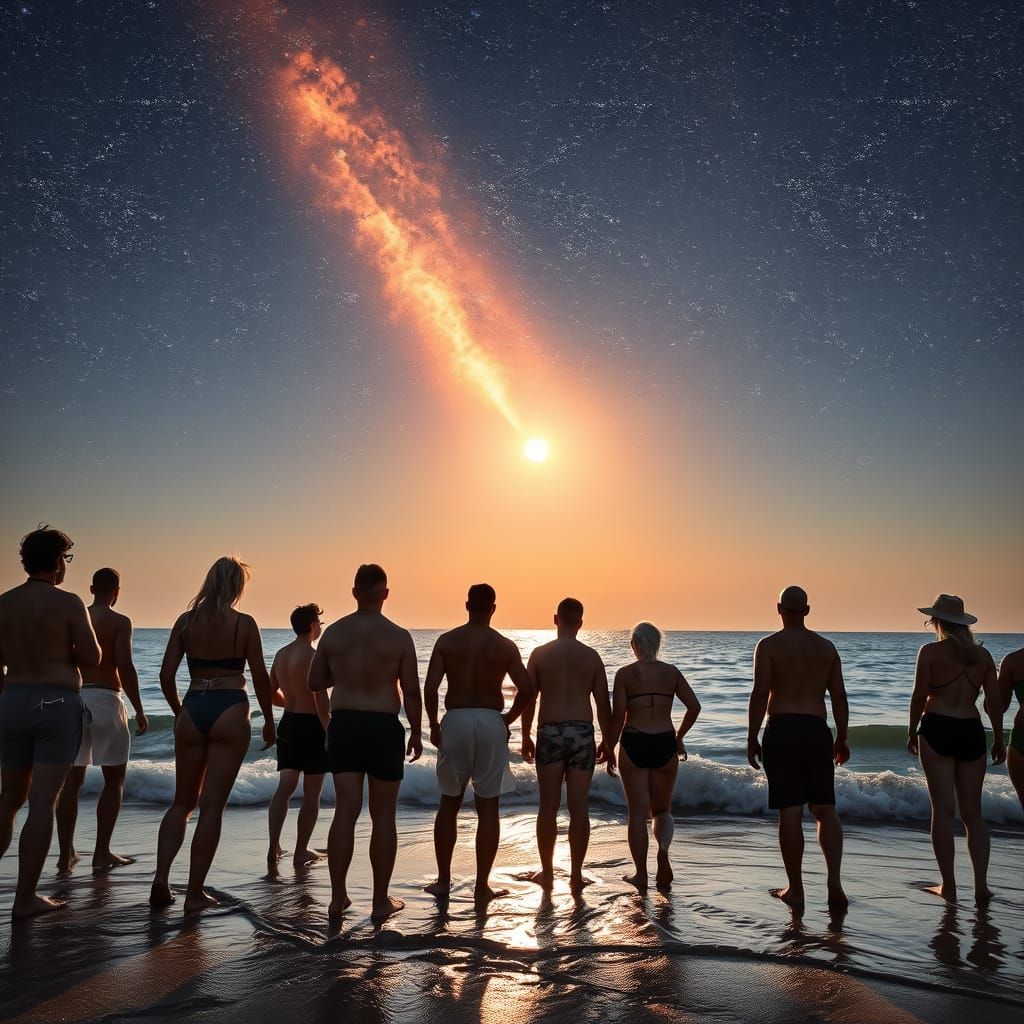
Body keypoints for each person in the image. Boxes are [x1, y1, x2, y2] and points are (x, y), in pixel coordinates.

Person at [150, 556, 275, 913]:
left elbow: (165, 675)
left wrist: (179, 713)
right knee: (212, 808)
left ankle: (161, 877)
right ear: (237, 587)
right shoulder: (244, 624)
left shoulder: (186, 622)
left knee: (182, 803)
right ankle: (193, 894)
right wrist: (268, 718)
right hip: (230, 708)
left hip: (193, 705)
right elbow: (261, 677)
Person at [308, 565, 422, 923]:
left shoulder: (335, 634)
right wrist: (418, 731)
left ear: (355, 592)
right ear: (385, 594)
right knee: (383, 815)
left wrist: (342, 672)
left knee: (345, 810)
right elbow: (412, 691)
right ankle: (378, 901)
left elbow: (315, 682)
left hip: (345, 725)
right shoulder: (399, 636)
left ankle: (338, 898)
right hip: (382, 727)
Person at [0, 526, 101, 917]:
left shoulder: (4, 603)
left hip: (11, 701)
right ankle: (24, 899)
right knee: (43, 801)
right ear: (58, 561)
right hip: (56, 702)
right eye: (65, 559)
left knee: (9, 798)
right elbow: (92, 658)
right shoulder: (69, 602)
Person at [424, 584, 534, 903]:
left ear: (466, 605)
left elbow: (430, 689)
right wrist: (508, 719)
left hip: (456, 719)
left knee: (449, 802)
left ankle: (444, 881)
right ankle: (481, 886)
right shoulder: (504, 645)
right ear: (493, 608)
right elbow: (527, 689)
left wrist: (432, 724)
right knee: (489, 807)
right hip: (489, 720)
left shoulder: (447, 641)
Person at [747, 586, 850, 912]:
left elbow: (760, 693)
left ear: (779, 608)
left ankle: (797, 890)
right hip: (817, 730)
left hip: (783, 729)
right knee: (825, 809)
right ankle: (834, 883)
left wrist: (752, 737)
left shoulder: (768, 646)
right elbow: (839, 696)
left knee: (790, 811)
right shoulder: (826, 648)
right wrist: (842, 737)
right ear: (807, 610)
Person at [907, 594, 1004, 903]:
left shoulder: (930, 652)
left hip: (937, 727)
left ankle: (948, 886)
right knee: (973, 814)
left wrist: (911, 731)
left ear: (937, 622)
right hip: (971, 731)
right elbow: (994, 705)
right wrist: (999, 738)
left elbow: (919, 696)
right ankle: (981, 887)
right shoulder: (983, 658)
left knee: (943, 810)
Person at [56, 567, 148, 873]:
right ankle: (101, 852)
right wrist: (139, 708)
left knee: (71, 781)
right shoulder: (120, 622)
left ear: (92, 588)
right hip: (107, 700)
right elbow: (126, 666)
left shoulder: (74, 616)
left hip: (73, 698)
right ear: (117, 591)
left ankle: (65, 853)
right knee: (113, 780)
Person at [520, 597, 613, 891]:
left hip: (550, 731)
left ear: (555, 619)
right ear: (581, 624)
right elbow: (603, 705)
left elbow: (528, 700)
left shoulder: (539, 654)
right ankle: (575, 875)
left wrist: (525, 735)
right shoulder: (592, 657)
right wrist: (609, 740)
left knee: (547, 808)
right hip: (582, 732)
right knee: (579, 808)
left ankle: (547, 873)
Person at [605, 621, 700, 890]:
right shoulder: (671, 673)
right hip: (664, 741)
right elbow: (694, 706)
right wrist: (679, 737)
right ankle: (664, 851)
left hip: (634, 740)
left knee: (637, 814)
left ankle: (641, 874)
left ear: (634, 644)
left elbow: (618, 717)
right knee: (662, 810)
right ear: (657, 644)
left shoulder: (624, 674)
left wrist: (609, 747)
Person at [267, 603, 329, 871]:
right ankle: (301, 850)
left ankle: (274, 846)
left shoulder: (281, 655)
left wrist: (290, 702)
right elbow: (321, 701)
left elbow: (270, 693)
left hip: (289, 724)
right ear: (313, 626)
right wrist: (330, 731)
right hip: (311, 726)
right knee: (312, 793)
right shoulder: (314, 656)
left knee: (285, 788)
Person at [997, 642, 1024, 812]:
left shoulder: (1014, 660)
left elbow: (996, 707)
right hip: (1020, 741)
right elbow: (997, 707)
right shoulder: (1013, 661)